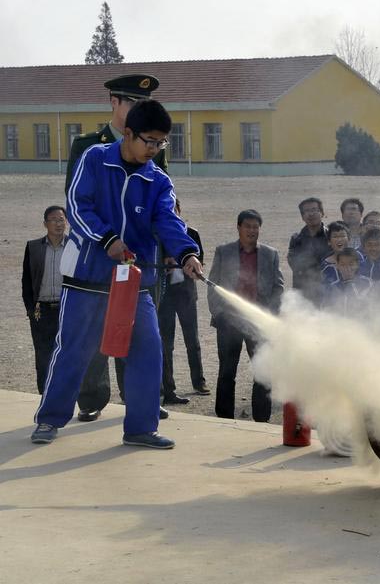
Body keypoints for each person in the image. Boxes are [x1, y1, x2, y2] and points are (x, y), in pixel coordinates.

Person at [31, 99, 202, 448]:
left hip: (133, 282)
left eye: (161, 143)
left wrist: (186, 252)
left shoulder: (158, 180)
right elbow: (78, 205)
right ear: (128, 133)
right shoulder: (94, 158)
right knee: (74, 349)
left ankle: (140, 427)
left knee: (148, 348)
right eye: (149, 141)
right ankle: (49, 419)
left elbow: (168, 220)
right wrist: (106, 238)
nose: (154, 150)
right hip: (87, 278)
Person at [68, 74, 166, 424]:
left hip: (135, 257)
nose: (139, 109)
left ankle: (138, 399)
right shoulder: (89, 146)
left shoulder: (152, 144)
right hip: (98, 253)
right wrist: (106, 238)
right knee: (94, 329)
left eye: (144, 104)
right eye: (132, 103)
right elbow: (77, 201)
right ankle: (92, 397)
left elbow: (158, 201)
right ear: (114, 103)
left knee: (139, 330)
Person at [208, 209, 284, 423]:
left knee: (263, 371)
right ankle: (223, 419)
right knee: (226, 372)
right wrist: (220, 313)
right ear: (239, 227)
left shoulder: (271, 254)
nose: (252, 230)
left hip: (257, 323)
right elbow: (213, 285)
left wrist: (267, 313)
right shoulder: (224, 251)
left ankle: (261, 419)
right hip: (229, 322)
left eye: (256, 227)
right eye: (248, 226)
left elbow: (278, 287)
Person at [159, 198, 207, 405]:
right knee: (165, 343)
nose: (172, 213)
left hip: (186, 294)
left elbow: (200, 260)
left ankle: (199, 382)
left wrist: (183, 263)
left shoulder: (192, 233)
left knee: (192, 341)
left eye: (174, 209)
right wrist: (164, 264)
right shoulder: (158, 234)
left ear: (179, 210)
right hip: (164, 296)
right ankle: (167, 387)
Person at [22, 206, 68, 393]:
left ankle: (66, 395)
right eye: (54, 220)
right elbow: (26, 281)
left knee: (67, 354)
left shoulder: (74, 246)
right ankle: (44, 395)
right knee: (43, 356)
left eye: (62, 219)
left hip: (68, 309)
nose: (58, 223)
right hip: (43, 311)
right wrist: (31, 310)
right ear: (45, 224)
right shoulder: (33, 248)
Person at [287, 197, 331, 304]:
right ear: (302, 217)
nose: (311, 214)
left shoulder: (331, 237)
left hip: (328, 292)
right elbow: (295, 265)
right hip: (303, 292)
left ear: (322, 213)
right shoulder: (296, 239)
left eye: (314, 210)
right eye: (306, 211)